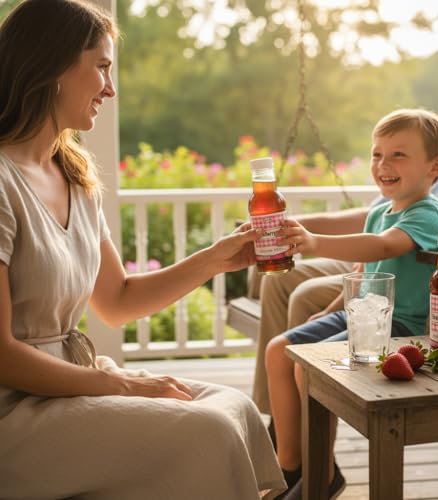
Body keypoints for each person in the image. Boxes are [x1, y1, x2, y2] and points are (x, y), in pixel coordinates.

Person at [0, 1, 286, 499]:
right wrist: (127, 386)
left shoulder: (74, 176)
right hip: (15, 406)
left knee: (231, 406)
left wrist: (217, 258)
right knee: (208, 433)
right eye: (103, 68)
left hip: (74, 380)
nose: (111, 89)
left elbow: (118, 300)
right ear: (53, 65)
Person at [252, 46, 438, 417]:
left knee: (305, 294)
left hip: (416, 274)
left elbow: (401, 233)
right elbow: (374, 216)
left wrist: (426, 239)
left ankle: (307, 435)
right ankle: (282, 421)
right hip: (386, 258)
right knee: (277, 281)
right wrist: (295, 224)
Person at [265, 108, 438, 498]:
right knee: (278, 350)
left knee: (308, 369)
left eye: (398, 154)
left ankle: (318, 476)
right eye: (377, 154)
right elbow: (365, 268)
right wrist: (333, 306)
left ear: (435, 166)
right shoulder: (379, 211)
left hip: (401, 330)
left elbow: (385, 246)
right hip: (363, 318)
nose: (383, 164)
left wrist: (315, 241)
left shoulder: (428, 215)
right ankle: (288, 464)